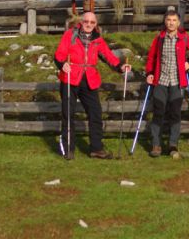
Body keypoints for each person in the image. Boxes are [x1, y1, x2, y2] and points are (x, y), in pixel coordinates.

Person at [54, 11, 131, 160]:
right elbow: (59, 54)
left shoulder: (98, 39)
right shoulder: (70, 35)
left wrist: (120, 67)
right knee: (68, 114)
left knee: (95, 112)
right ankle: (68, 149)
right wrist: (62, 65)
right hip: (70, 77)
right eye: (86, 21)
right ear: (81, 22)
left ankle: (96, 148)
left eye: (92, 22)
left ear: (96, 24)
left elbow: (108, 55)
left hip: (89, 78)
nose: (89, 24)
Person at [145, 10, 189, 157]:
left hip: (177, 82)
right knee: (158, 113)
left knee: (175, 114)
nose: (171, 22)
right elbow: (151, 58)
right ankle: (156, 145)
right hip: (160, 81)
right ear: (165, 21)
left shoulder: (184, 38)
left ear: (179, 23)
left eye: (174, 20)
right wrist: (149, 73)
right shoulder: (159, 38)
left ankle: (173, 144)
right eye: (168, 20)